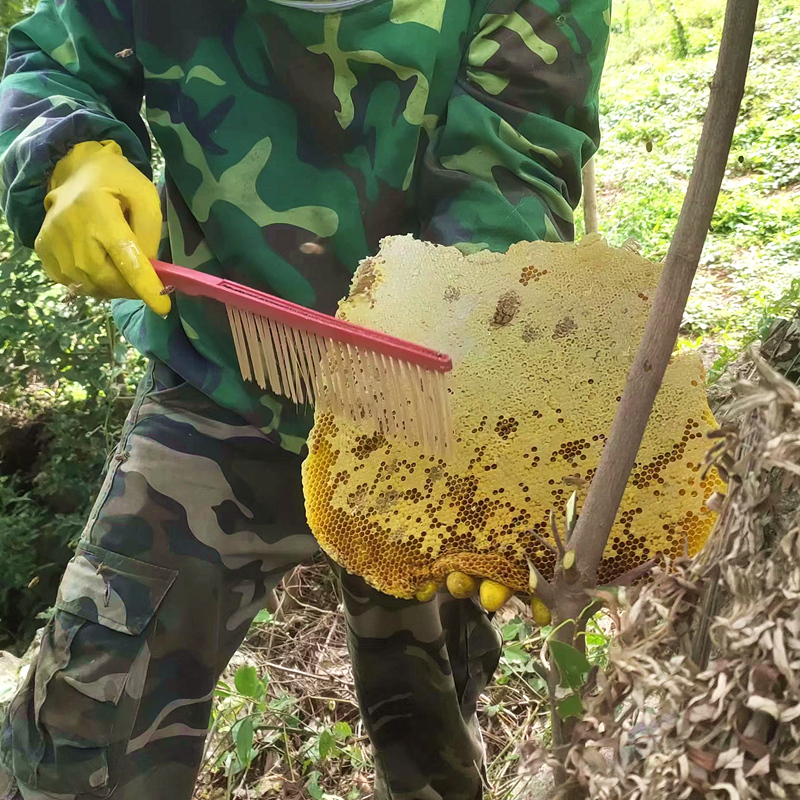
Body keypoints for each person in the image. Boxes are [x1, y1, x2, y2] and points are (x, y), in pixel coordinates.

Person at [0, 0, 609, 797]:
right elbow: (55, 56)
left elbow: (515, 169)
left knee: (429, 735)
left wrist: (494, 407)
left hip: (426, 416)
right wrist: (65, 152)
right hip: (218, 379)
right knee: (80, 729)